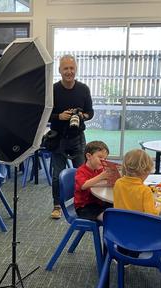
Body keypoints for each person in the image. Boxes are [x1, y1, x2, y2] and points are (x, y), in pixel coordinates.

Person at [49, 54, 94, 219]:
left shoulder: (83, 89)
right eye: (66, 68)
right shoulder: (52, 90)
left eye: (72, 68)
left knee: (82, 172)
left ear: (76, 70)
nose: (69, 71)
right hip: (58, 137)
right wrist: (59, 116)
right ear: (60, 70)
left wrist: (83, 116)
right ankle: (56, 205)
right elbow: (44, 115)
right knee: (57, 174)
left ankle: (83, 204)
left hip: (77, 137)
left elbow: (91, 112)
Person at [113, 149, 161, 215]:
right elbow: (152, 215)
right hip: (138, 225)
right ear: (146, 171)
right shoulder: (145, 191)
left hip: (119, 223)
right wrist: (160, 208)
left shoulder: (118, 183)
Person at [73, 141, 113, 222]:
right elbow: (83, 185)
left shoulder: (98, 169)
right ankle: (110, 229)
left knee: (119, 208)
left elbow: (104, 181)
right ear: (88, 156)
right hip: (84, 207)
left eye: (105, 159)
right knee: (110, 218)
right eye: (100, 158)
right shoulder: (81, 171)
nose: (103, 161)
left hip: (98, 202)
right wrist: (101, 176)